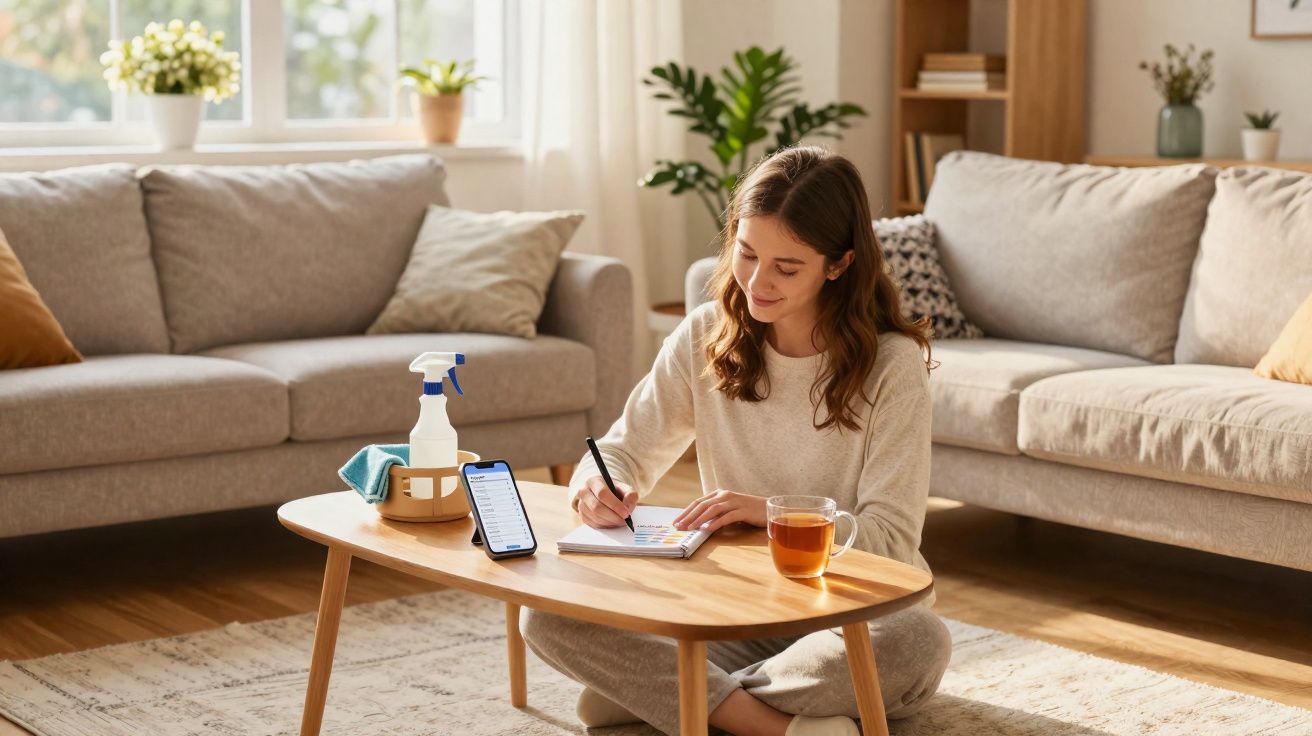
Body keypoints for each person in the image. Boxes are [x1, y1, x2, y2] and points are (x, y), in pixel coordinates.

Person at [522, 146, 952, 736]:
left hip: (846, 619)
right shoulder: (706, 335)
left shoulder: (891, 367)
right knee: (545, 617)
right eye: (746, 253)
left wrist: (770, 515)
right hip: (728, 613)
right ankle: (772, 725)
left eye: (786, 266)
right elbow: (620, 450)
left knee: (918, 642)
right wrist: (601, 485)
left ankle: (673, 694)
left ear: (838, 264)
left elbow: (892, 544)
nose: (756, 280)